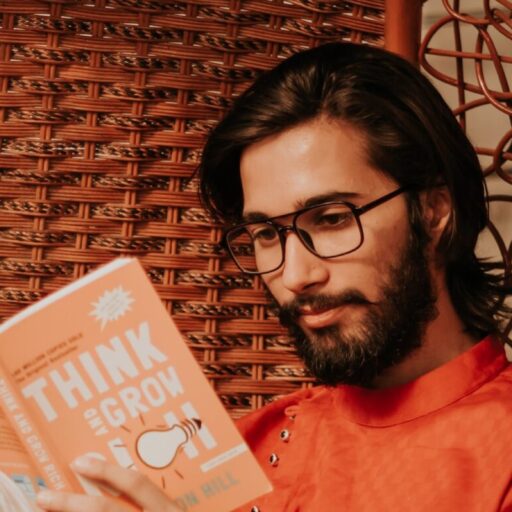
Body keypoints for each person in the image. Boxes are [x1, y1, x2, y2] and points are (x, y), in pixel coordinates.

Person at [34, 42, 512, 512]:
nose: (295, 275)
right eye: (266, 234)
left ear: (433, 211)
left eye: (332, 219)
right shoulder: (237, 455)